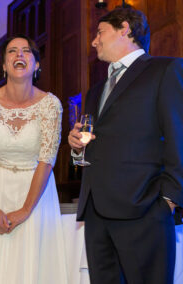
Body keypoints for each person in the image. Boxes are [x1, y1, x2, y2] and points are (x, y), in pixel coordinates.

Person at [68, 6, 183, 284]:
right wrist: (77, 149)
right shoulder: (95, 90)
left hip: (144, 210)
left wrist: (167, 200)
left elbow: (179, 136)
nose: (94, 41)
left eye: (100, 32)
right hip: (96, 214)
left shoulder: (164, 69)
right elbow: (94, 145)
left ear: (125, 29)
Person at [0, 35, 68, 284]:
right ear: (4, 65)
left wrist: (25, 209)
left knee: (34, 270)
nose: (19, 55)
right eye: (12, 51)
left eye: (26, 51)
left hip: (36, 193)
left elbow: (47, 159)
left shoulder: (51, 105)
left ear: (36, 65)